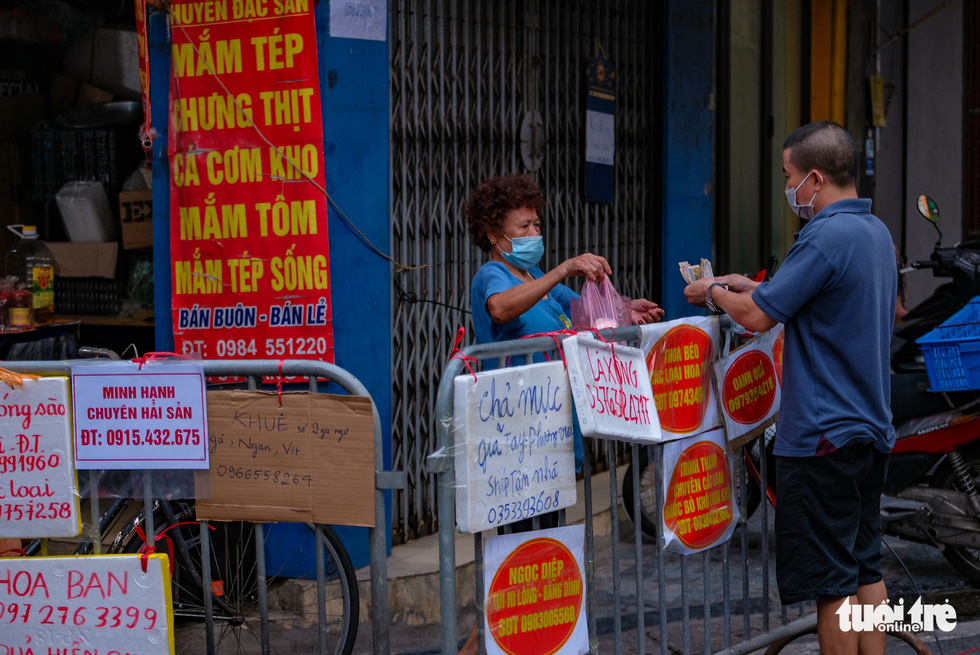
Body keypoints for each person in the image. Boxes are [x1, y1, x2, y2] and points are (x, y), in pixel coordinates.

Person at [683, 121, 895, 655]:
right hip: (869, 431)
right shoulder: (876, 233)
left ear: (816, 178)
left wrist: (711, 290)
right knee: (864, 568)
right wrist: (753, 287)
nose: (788, 189)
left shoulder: (824, 235)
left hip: (823, 437)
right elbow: (798, 297)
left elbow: (755, 318)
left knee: (831, 587)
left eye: (789, 177)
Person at [459, 173, 664, 655]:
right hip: (512, 441)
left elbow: (584, 311)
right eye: (524, 227)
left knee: (540, 556)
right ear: (495, 234)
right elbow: (502, 310)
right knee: (519, 555)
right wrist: (564, 267)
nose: (534, 235)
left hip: (550, 435)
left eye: (536, 224)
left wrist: (625, 308)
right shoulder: (495, 276)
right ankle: (489, 644)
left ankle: (507, 643)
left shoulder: (539, 283)